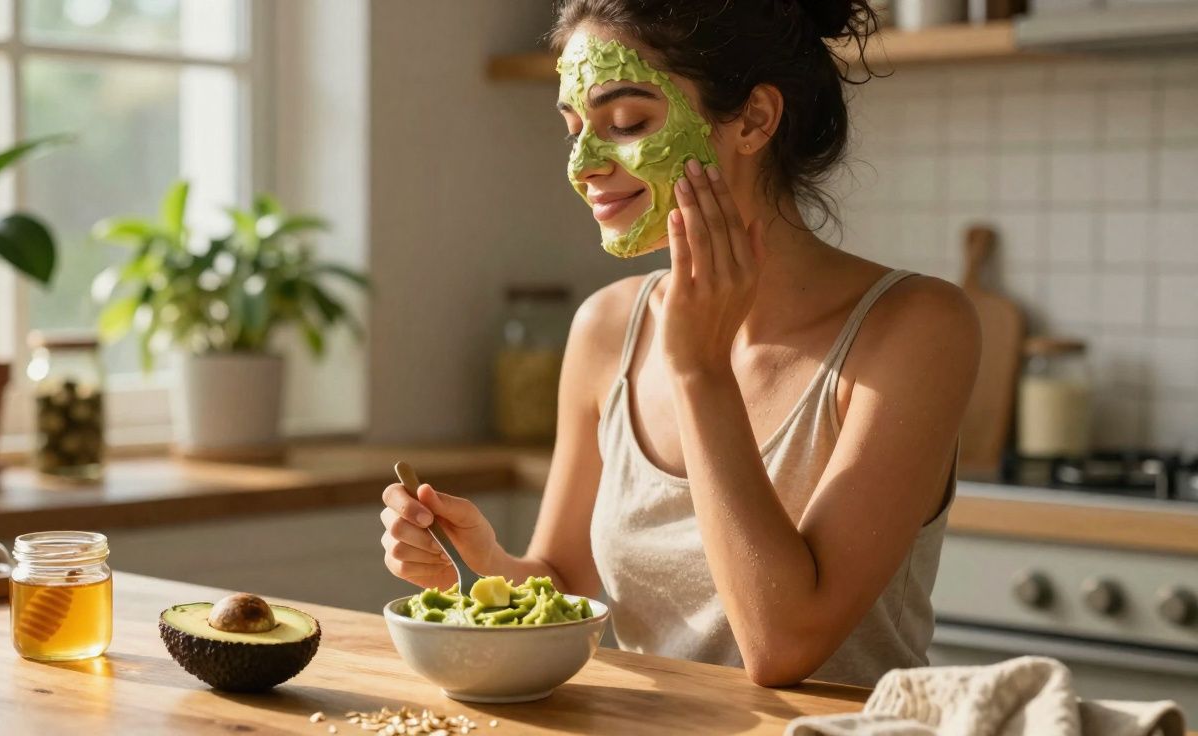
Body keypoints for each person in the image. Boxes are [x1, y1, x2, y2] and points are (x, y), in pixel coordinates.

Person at [379, 0, 979, 688]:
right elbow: (567, 584)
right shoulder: (606, 328)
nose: (583, 166)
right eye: (573, 129)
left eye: (628, 123)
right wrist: (487, 565)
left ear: (754, 119)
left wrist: (698, 369)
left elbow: (784, 645)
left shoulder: (917, 328)